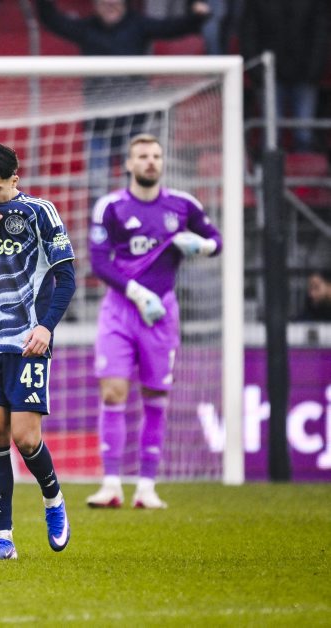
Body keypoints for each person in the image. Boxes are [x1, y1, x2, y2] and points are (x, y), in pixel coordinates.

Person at [87, 134, 221, 509]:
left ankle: (147, 487)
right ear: (129, 164)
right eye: (143, 156)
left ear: (163, 162)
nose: (150, 161)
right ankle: (111, 484)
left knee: (155, 397)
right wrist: (135, 292)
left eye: (156, 156)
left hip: (161, 312)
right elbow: (98, 262)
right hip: (120, 309)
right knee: (113, 391)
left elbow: (217, 240)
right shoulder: (111, 207)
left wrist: (201, 245)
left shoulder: (183, 205)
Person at [0, 144, 75, 560]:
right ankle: (3, 538)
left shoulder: (41, 213)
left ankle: (53, 499)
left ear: (14, 181)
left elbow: (66, 278)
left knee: (25, 438)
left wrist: (46, 326)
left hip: (28, 341)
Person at [35, 0, 210, 197]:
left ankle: (136, 216)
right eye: (104, 3)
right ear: (95, 5)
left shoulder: (138, 25)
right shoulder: (87, 29)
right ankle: (101, 217)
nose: (110, 6)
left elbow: (171, 28)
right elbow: (54, 21)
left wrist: (197, 16)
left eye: (115, 3)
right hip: (98, 125)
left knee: (137, 184)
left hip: (134, 124)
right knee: (98, 185)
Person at [241, 0, 328, 152]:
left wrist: (314, 71)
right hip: (268, 75)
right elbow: (248, 33)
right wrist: (258, 73)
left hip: (305, 75)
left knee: (304, 135)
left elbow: (321, 33)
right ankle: (270, 167)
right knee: (271, 136)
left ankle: (304, 166)